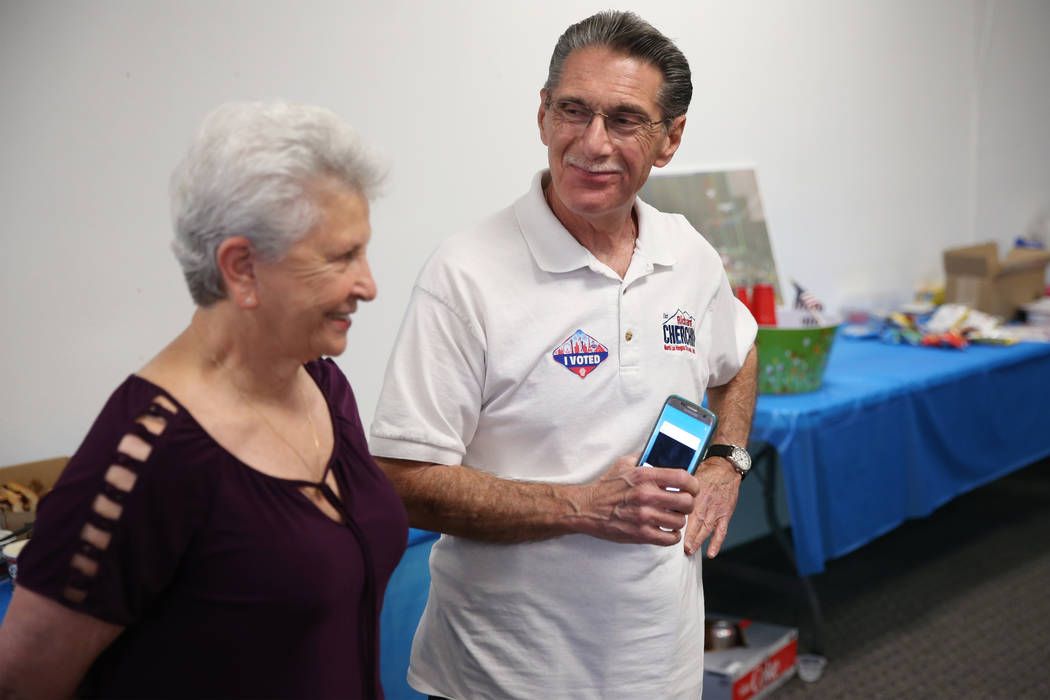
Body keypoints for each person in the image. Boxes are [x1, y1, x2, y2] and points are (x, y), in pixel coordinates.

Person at [369, 10, 758, 700]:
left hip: (657, 669)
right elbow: (401, 479)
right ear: (543, 115)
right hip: (502, 676)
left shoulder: (688, 254)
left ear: (670, 139)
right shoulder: (465, 274)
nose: (592, 142)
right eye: (573, 111)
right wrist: (582, 506)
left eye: (625, 119)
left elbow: (741, 352)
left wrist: (727, 460)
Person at [0, 101, 408, 699]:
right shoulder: (144, 453)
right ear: (241, 268)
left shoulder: (323, 385)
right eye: (340, 257)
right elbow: (22, 684)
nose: (368, 285)